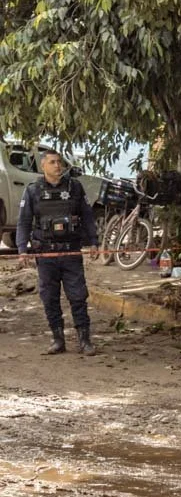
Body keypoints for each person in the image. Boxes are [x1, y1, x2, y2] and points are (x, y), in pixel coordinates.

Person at [16, 150, 99, 355]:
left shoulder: (74, 187)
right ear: (43, 166)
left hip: (70, 252)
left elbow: (87, 216)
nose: (57, 166)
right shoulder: (33, 190)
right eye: (52, 162)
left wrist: (95, 242)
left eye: (59, 162)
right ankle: (58, 339)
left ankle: (84, 340)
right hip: (45, 254)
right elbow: (24, 221)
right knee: (49, 297)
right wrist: (21, 249)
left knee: (78, 296)